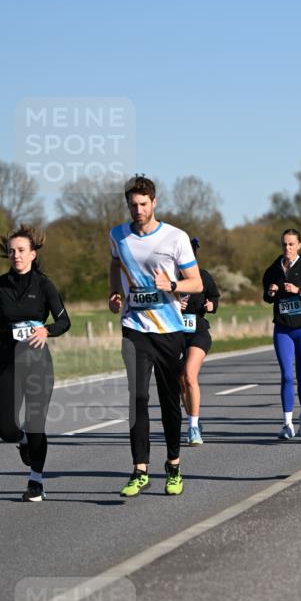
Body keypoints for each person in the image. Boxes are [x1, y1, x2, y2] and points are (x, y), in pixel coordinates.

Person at [109, 175, 203, 497]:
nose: (138, 209)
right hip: (135, 328)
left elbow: (197, 283)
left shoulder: (175, 238)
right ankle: (139, 470)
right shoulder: (117, 235)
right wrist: (114, 293)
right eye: (133, 205)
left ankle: (173, 465)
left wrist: (173, 286)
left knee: (168, 400)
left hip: (169, 330)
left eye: (143, 204)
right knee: (138, 398)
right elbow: (114, 264)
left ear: (154, 203)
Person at [0, 225, 71, 501]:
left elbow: (64, 321)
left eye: (21, 250)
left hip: (37, 364)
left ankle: (36, 481)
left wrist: (47, 330)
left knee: (36, 423)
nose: (16, 255)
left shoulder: (44, 285)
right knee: (6, 429)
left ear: (33, 254)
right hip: (8, 361)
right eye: (11, 251)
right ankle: (22, 441)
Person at [262, 228, 301, 439]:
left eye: (291, 244)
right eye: (284, 244)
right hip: (282, 329)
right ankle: (287, 424)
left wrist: (299, 291)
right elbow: (267, 296)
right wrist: (271, 292)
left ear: (299, 245)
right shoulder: (273, 269)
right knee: (287, 376)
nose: (287, 248)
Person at [179, 237, 220, 446]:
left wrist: (211, 304)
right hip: (175, 334)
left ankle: (194, 428)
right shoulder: (169, 277)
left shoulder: (203, 276)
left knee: (189, 374)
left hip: (198, 331)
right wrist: (175, 306)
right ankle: (192, 419)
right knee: (181, 382)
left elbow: (215, 297)